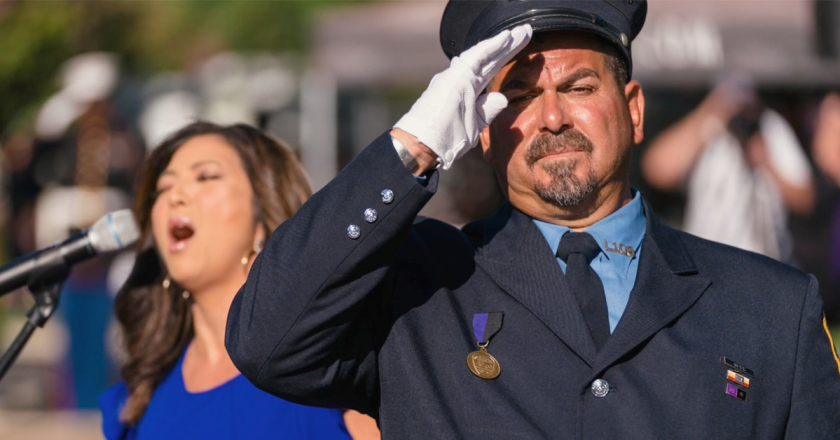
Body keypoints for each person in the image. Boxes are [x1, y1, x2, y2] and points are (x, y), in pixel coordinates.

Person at [226, 1, 840, 438]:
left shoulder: (770, 306)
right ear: (482, 131)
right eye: (518, 96)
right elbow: (265, 341)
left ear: (633, 111)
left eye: (578, 87)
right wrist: (412, 147)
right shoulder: (415, 287)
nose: (551, 118)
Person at [98, 122, 352, 439]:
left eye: (206, 177)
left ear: (263, 212)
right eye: (163, 188)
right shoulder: (138, 401)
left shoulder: (332, 366)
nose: (175, 196)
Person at [641, 79, 815, 262]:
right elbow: (656, 170)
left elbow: (806, 199)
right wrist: (713, 110)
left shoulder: (769, 126)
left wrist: (766, 163)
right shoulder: (706, 123)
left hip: (761, 262)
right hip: (707, 261)